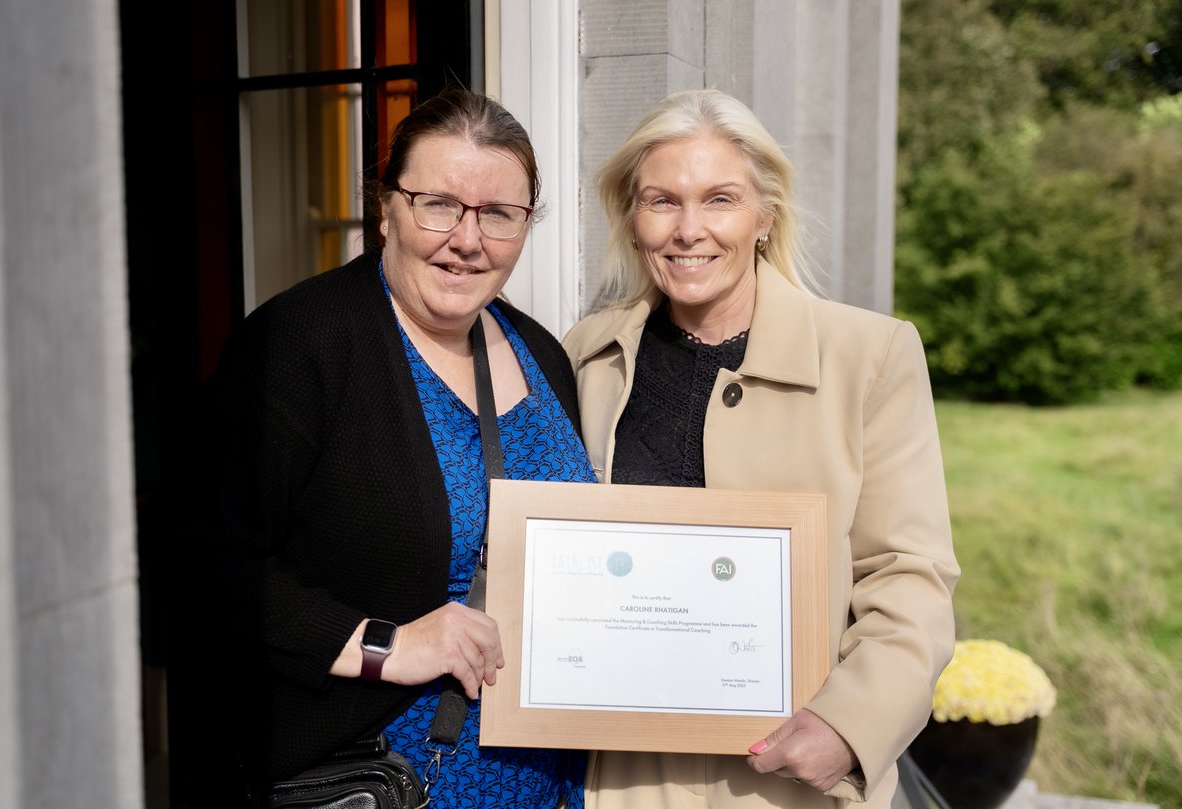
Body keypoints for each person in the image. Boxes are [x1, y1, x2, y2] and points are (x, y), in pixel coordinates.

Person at [562, 89, 959, 809]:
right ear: (631, 214)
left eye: (720, 199)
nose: (688, 230)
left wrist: (849, 725)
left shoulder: (868, 356)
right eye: (661, 201)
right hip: (618, 780)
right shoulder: (585, 356)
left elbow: (909, 577)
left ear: (765, 216)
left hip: (793, 782)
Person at [196, 88, 594, 808]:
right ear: (386, 208)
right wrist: (386, 644)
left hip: (548, 785)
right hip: (386, 781)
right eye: (438, 203)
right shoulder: (300, 345)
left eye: (499, 215)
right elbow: (214, 564)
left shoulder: (542, 354)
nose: (467, 239)